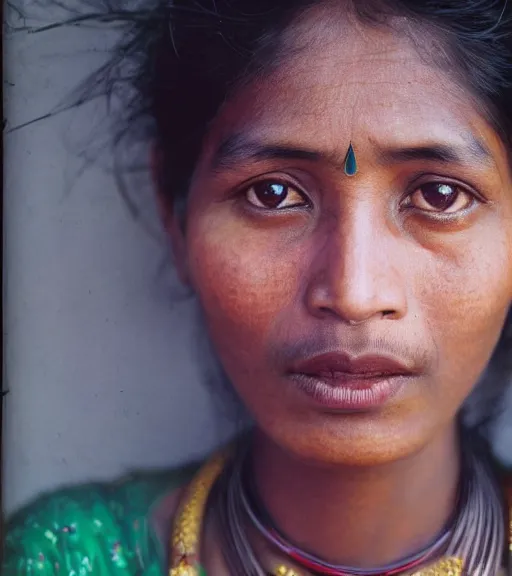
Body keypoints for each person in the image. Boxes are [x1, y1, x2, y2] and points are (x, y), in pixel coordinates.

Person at [3, 0, 512, 574]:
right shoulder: (61, 558)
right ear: (175, 215)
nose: (354, 293)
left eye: (440, 196)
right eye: (272, 194)